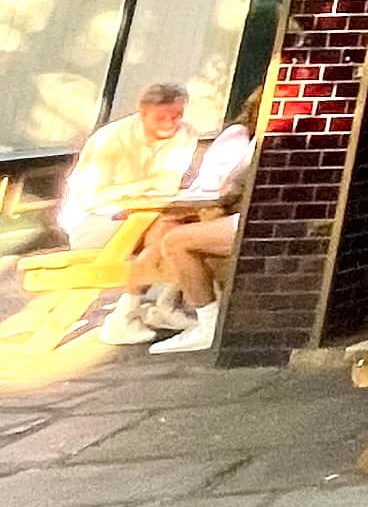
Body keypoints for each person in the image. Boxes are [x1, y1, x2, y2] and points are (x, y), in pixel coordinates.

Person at [63, 82, 196, 346]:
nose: (170, 123)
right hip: (95, 220)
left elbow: (168, 185)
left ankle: (155, 306)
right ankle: (138, 312)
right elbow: (93, 196)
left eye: (177, 115)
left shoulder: (185, 134)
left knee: (180, 231)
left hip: (147, 217)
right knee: (166, 232)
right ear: (143, 113)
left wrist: (152, 188)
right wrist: (146, 184)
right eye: (161, 117)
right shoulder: (109, 139)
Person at [135, 108, 257, 355]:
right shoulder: (256, 135)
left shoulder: (264, 135)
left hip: (256, 220)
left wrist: (226, 194)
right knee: (168, 230)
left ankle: (208, 325)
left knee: (176, 241)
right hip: (252, 214)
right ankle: (164, 306)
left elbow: (241, 182)